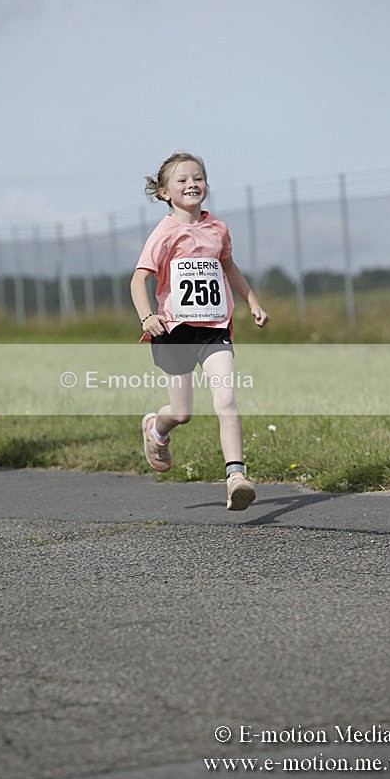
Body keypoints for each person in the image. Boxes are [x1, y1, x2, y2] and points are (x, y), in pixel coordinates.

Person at [130, 152, 269, 511]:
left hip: (214, 329)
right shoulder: (164, 232)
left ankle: (236, 477)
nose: (192, 184)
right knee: (183, 413)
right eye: (182, 180)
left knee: (225, 399)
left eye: (199, 178)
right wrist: (147, 316)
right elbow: (139, 278)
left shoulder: (218, 229)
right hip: (174, 331)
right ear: (164, 193)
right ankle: (156, 429)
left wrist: (252, 301)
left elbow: (230, 268)